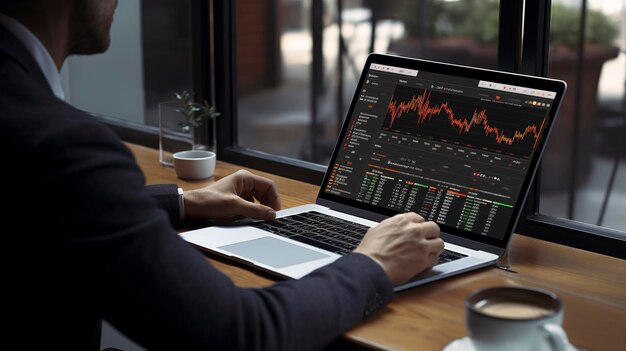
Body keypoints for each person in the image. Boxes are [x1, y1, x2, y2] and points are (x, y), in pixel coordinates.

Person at [0, 1, 444, 350]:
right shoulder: (60, 145)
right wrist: (373, 265)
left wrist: (181, 201)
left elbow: (34, 203)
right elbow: (243, 334)